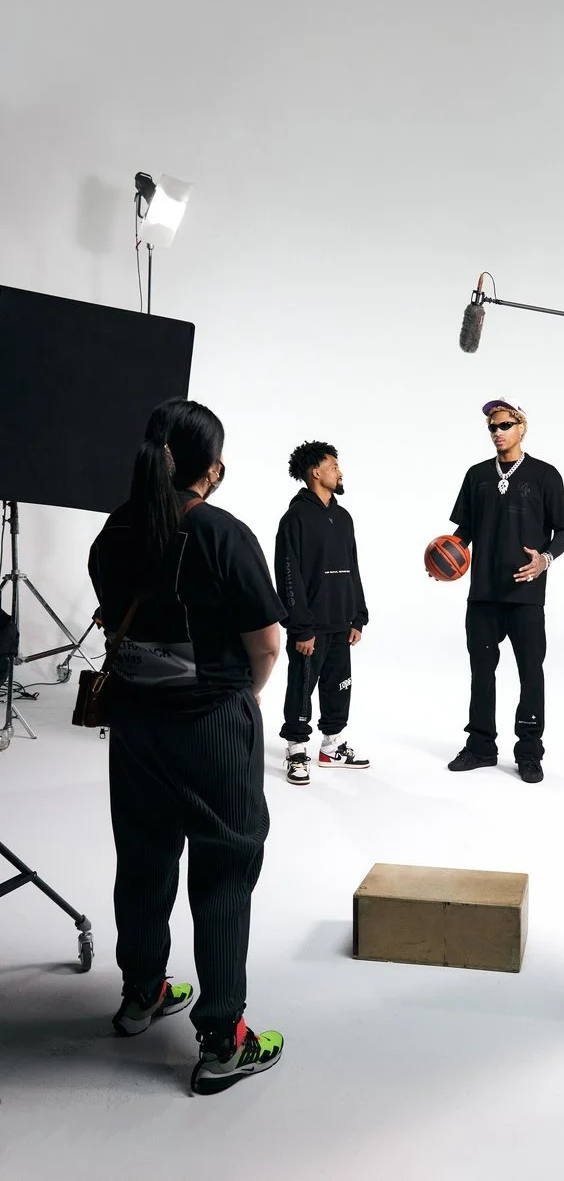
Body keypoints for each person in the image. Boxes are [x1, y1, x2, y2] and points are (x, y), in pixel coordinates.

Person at [88, 398, 285, 1095]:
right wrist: (249, 693)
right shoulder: (222, 533)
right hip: (211, 726)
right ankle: (223, 1039)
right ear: (211, 468)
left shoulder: (113, 533)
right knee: (223, 875)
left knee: (143, 861)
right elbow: (266, 643)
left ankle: (142, 993)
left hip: (136, 727)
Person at [445, 398, 564, 783]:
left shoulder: (545, 475)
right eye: (492, 427)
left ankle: (529, 752)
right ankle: (481, 746)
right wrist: (445, 557)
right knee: (481, 672)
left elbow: (563, 531)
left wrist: (545, 559)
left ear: (521, 428)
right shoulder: (476, 475)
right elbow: (463, 532)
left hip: (525, 594)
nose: (497, 432)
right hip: (483, 593)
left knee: (530, 673)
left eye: (504, 425)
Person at [275, 441, 369, 785]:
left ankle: (332, 746)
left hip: (341, 622)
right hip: (310, 626)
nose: (339, 471)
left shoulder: (343, 518)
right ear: (316, 472)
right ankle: (296, 749)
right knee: (301, 687)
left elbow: (352, 566)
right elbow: (288, 574)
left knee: (338, 686)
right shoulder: (295, 518)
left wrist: (358, 615)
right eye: (334, 466)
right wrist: (300, 628)